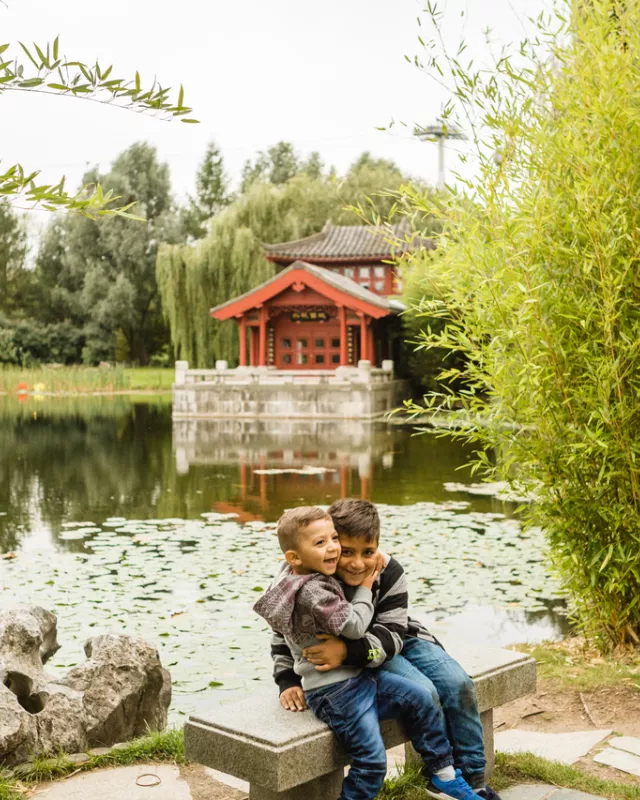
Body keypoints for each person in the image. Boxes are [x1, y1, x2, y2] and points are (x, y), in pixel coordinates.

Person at [272, 499, 500, 800]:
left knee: (458, 683)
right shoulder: (312, 571)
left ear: (377, 544)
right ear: (334, 543)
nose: (357, 563)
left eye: (368, 552)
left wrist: (345, 653)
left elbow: (393, 635)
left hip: (396, 639)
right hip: (365, 655)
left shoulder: (389, 571)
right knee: (424, 692)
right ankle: (441, 774)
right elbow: (281, 626)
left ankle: (473, 780)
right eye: (347, 552)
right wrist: (286, 679)